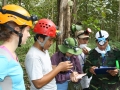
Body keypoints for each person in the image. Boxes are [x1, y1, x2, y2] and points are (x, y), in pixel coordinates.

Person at [25, 18, 73, 90]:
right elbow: (38, 83)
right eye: (50, 40)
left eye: (52, 40)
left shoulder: (44, 50)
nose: (51, 43)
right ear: (40, 38)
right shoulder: (33, 56)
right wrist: (58, 68)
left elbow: (44, 70)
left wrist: (57, 68)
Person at [0, 4, 37, 90]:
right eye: (27, 31)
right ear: (17, 29)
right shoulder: (3, 57)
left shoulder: (11, 53)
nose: (28, 35)